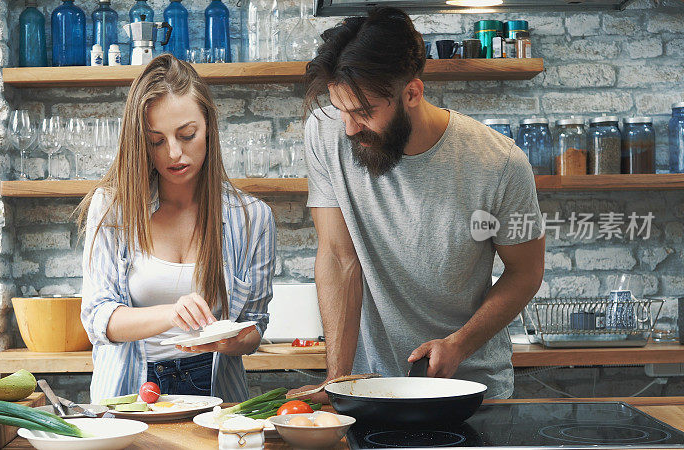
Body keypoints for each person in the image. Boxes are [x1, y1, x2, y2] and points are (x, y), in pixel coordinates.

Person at [290, 7, 545, 401]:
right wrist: (337, 379)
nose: (348, 128)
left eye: (364, 113)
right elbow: (339, 257)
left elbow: (525, 273)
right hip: (367, 388)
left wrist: (459, 343)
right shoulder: (324, 132)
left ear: (412, 92)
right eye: (341, 110)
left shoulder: (501, 163)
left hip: (469, 388)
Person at [78, 54, 276, 403]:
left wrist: (231, 340)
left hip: (213, 389)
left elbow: (255, 327)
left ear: (209, 127)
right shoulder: (112, 209)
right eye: (156, 141)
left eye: (187, 135)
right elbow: (98, 320)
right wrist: (170, 313)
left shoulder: (253, 218)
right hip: (132, 389)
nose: (174, 153)